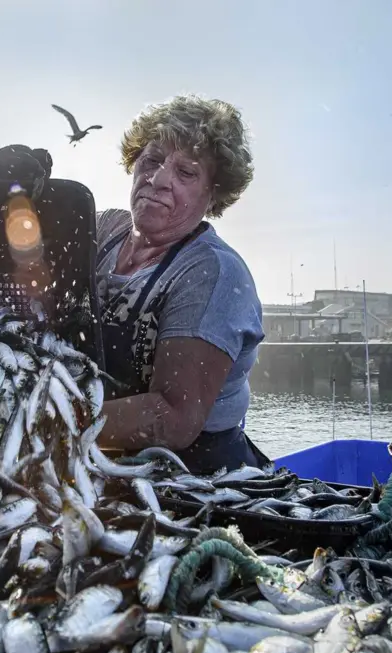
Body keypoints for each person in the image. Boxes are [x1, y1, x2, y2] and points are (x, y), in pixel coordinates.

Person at [92, 94, 268, 474]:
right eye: (151, 160)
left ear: (213, 193)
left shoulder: (213, 273)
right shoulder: (103, 229)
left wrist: (46, 423)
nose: (158, 180)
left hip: (196, 476)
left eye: (186, 173)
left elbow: (173, 417)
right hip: (102, 456)